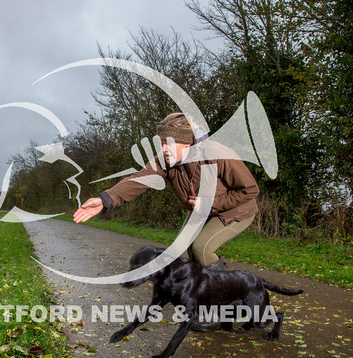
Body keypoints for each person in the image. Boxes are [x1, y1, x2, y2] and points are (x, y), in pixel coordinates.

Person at [73, 112, 259, 271]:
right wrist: (105, 200)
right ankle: (196, 298)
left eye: (169, 143)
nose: (164, 149)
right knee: (178, 257)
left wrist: (211, 203)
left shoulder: (218, 153)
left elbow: (250, 190)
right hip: (200, 212)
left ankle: (225, 291)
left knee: (201, 248)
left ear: (186, 142)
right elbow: (140, 179)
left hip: (236, 210)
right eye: (162, 143)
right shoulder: (166, 160)